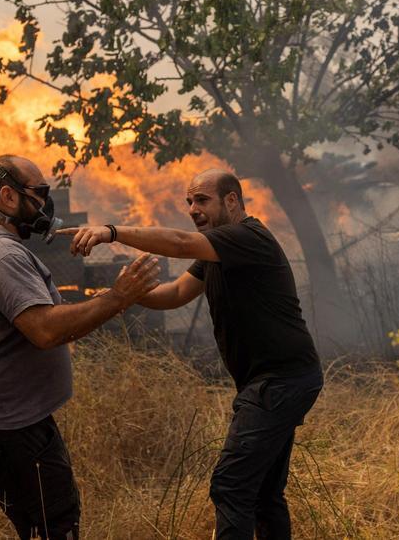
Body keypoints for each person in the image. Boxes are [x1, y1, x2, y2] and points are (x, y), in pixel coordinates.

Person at [59, 168, 322, 540]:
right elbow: (176, 293)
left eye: (202, 200)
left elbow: (180, 243)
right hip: (278, 381)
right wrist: (122, 295)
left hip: (280, 382)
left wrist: (111, 232)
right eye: (189, 202)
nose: (192, 209)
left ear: (232, 200)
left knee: (231, 484)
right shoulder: (219, 249)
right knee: (263, 491)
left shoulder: (248, 237)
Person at [0, 154, 160, 540]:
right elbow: (45, 331)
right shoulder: (1, 255)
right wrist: (118, 297)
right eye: (38, 193)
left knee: (33, 523)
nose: (45, 204)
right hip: (6, 426)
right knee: (56, 523)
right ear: (7, 196)